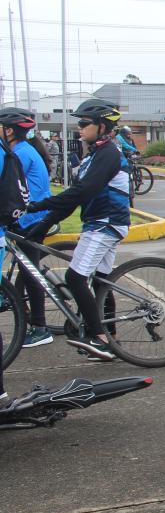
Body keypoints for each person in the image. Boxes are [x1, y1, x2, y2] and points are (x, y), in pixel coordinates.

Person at [22, 99, 132, 362]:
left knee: (75, 278)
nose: (79, 128)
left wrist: (39, 205)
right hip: (100, 222)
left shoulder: (109, 154)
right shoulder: (94, 154)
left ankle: (100, 338)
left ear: (102, 126)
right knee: (101, 281)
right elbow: (75, 200)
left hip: (106, 224)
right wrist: (42, 225)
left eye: (84, 123)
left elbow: (82, 191)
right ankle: (111, 338)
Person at [0, 109, 53, 348]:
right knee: (27, 268)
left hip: (28, 220)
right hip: (33, 216)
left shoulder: (15, 154)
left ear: (9, 130)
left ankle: (40, 328)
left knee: (30, 271)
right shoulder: (24, 149)